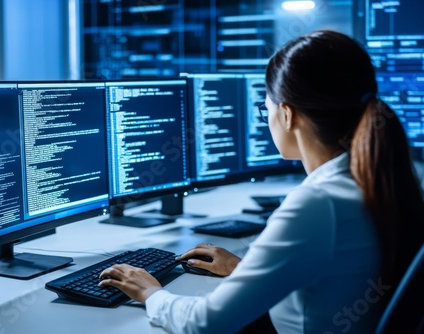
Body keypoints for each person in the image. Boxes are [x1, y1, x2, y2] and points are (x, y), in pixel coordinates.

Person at [99, 30, 424, 333]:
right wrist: (246, 269)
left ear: (287, 114)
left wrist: (150, 292)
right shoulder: (380, 176)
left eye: (264, 108)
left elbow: (207, 323)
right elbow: (332, 270)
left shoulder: (318, 203)